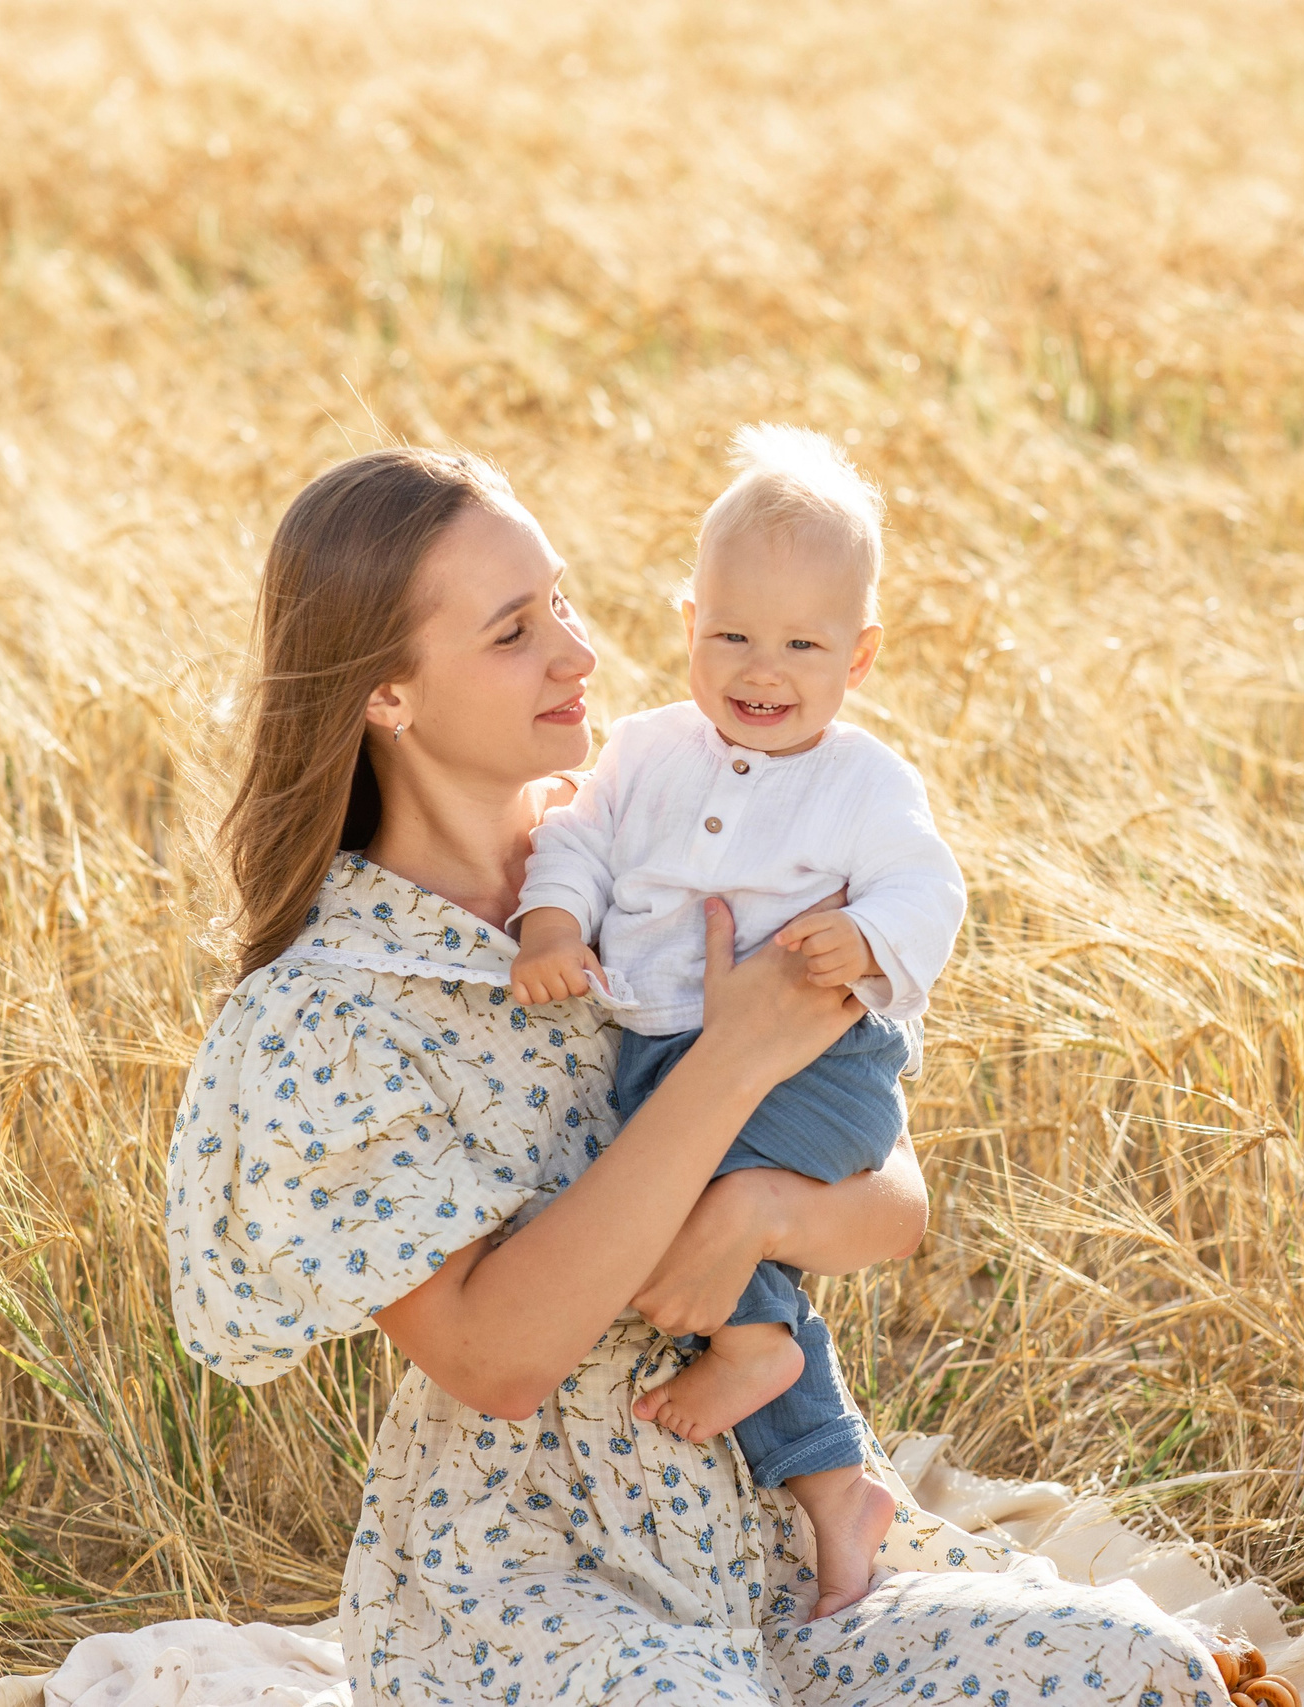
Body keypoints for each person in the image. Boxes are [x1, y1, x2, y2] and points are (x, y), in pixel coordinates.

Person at [166, 444, 1274, 1707]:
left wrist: (752, 1211)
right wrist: (734, 1055)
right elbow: (495, 1358)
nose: (579, 653)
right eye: (515, 632)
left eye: (562, 601)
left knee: (1139, 1672)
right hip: (529, 1580)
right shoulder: (333, 1008)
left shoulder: (673, 836)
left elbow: (891, 1205)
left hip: (765, 1533)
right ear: (387, 695)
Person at [507, 424, 964, 1616]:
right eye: (731, 635)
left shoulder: (865, 782)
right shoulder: (645, 751)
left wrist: (868, 939)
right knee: (680, 1213)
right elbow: (577, 840)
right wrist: (553, 926)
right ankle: (834, 1492)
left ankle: (759, 1353)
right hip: (665, 1051)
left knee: (695, 1205)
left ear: (860, 654)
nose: (763, 670)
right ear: (687, 622)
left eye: (802, 644)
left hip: (823, 1063)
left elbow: (928, 889)